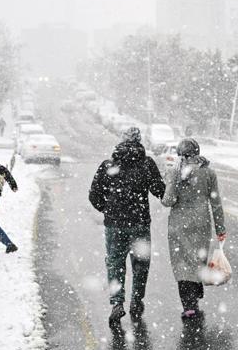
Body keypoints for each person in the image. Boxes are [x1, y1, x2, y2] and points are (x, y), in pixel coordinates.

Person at [89, 127, 165, 325]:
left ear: (121, 141)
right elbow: (159, 190)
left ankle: (117, 303)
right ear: (140, 142)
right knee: (141, 265)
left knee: (115, 264)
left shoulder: (109, 165)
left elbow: (94, 195)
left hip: (115, 224)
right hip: (139, 223)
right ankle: (136, 301)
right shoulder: (147, 164)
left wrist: (108, 209)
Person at [161, 138, 226, 319]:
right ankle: (195, 297)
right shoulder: (208, 173)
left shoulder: (175, 172)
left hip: (179, 224)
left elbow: (168, 201)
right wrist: (220, 227)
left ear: (180, 153)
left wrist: (167, 186)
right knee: (197, 259)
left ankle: (188, 305)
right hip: (201, 222)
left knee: (182, 263)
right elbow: (216, 202)